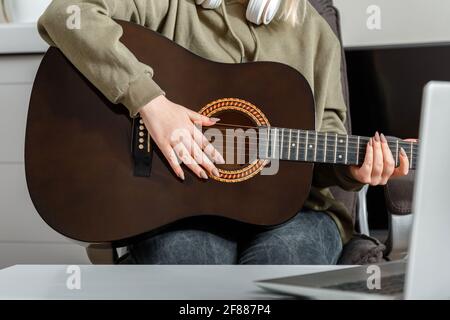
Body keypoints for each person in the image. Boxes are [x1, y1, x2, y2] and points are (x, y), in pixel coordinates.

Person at [37, 0, 411, 265]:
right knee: (191, 268)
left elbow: (327, 140)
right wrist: (151, 104)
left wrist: (353, 171)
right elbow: (65, 14)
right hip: (179, 207)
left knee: (279, 265)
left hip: (299, 212)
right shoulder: (172, 4)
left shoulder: (314, 32)